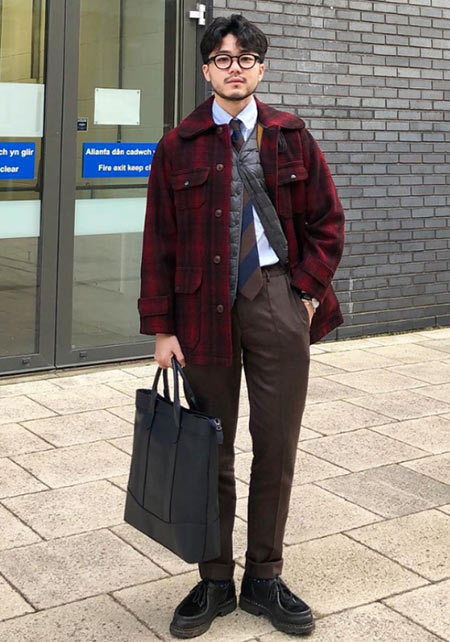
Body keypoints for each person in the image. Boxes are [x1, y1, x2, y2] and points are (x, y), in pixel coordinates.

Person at [138, 14, 344, 639]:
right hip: (201, 308)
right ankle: (214, 579)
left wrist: (304, 293)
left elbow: (328, 222)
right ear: (206, 70)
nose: (235, 67)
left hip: (278, 298)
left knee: (276, 446)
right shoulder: (179, 145)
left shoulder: (291, 135)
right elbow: (158, 243)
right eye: (223, 58)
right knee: (211, 447)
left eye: (246, 57)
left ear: (261, 67)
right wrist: (161, 327)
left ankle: (264, 576)